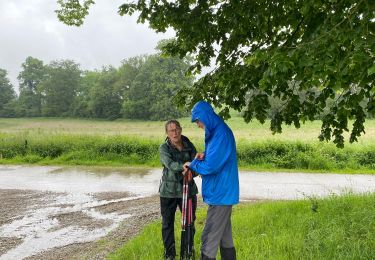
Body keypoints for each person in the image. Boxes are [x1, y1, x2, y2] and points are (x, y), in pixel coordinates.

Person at [183, 101, 239, 260]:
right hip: (222, 193)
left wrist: (192, 163)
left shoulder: (220, 134)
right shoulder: (217, 133)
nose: (198, 125)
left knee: (209, 238)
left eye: (197, 121)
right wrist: (204, 156)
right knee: (224, 237)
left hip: (220, 194)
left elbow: (210, 167)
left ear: (205, 117)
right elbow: (216, 159)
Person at [159, 119, 199, 260]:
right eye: (171, 130)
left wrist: (191, 172)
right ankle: (170, 255)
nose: (174, 133)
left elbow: (196, 164)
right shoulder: (164, 148)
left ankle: (187, 253)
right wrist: (184, 167)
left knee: (189, 222)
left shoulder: (189, 144)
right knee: (167, 224)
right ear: (167, 133)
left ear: (181, 129)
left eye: (176, 129)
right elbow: (169, 164)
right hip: (168, 193)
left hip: (188, 191)